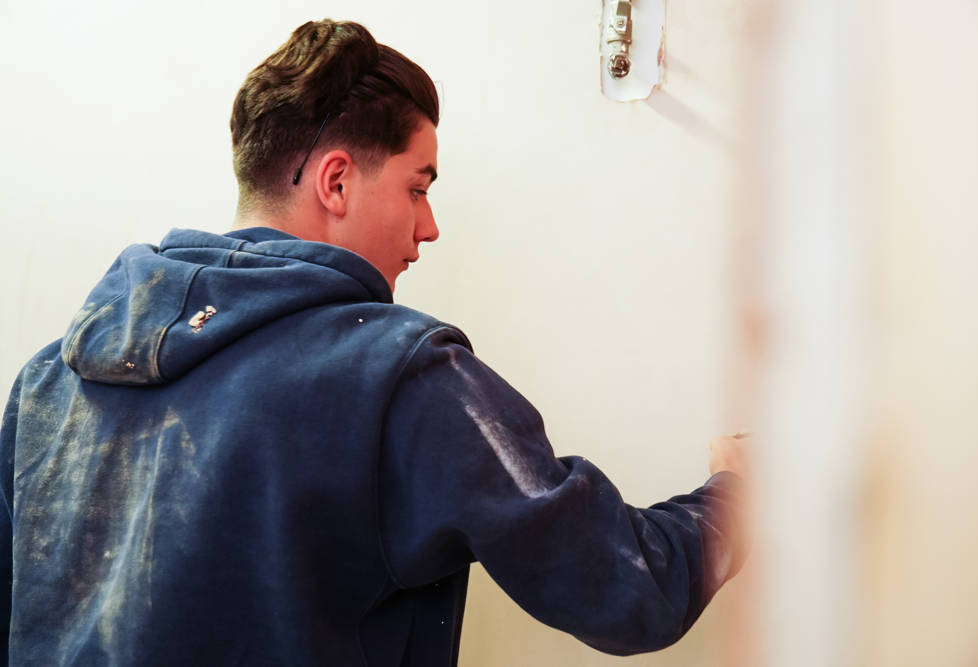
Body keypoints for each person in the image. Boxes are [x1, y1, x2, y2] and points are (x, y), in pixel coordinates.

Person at [0, 19, 748, 666]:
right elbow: (627, 586)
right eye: (418, 187)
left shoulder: (49, 380)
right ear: (335, 182)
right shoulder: (397, 377)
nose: (428, 228)